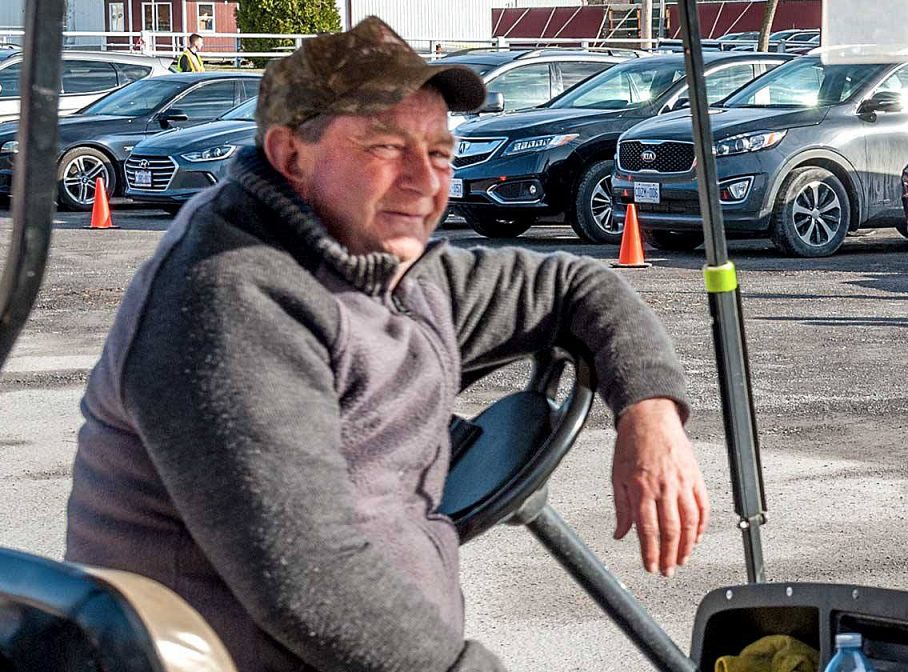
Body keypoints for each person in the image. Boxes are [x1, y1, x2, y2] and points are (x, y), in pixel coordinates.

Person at [65, 16, 709, 672]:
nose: (426, 183)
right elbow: (311, 582)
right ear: (291, 155)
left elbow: (575, 283)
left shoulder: (386, 262)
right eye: (385, 148)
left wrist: (650, 410)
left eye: (440, 153)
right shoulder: (230, 296)